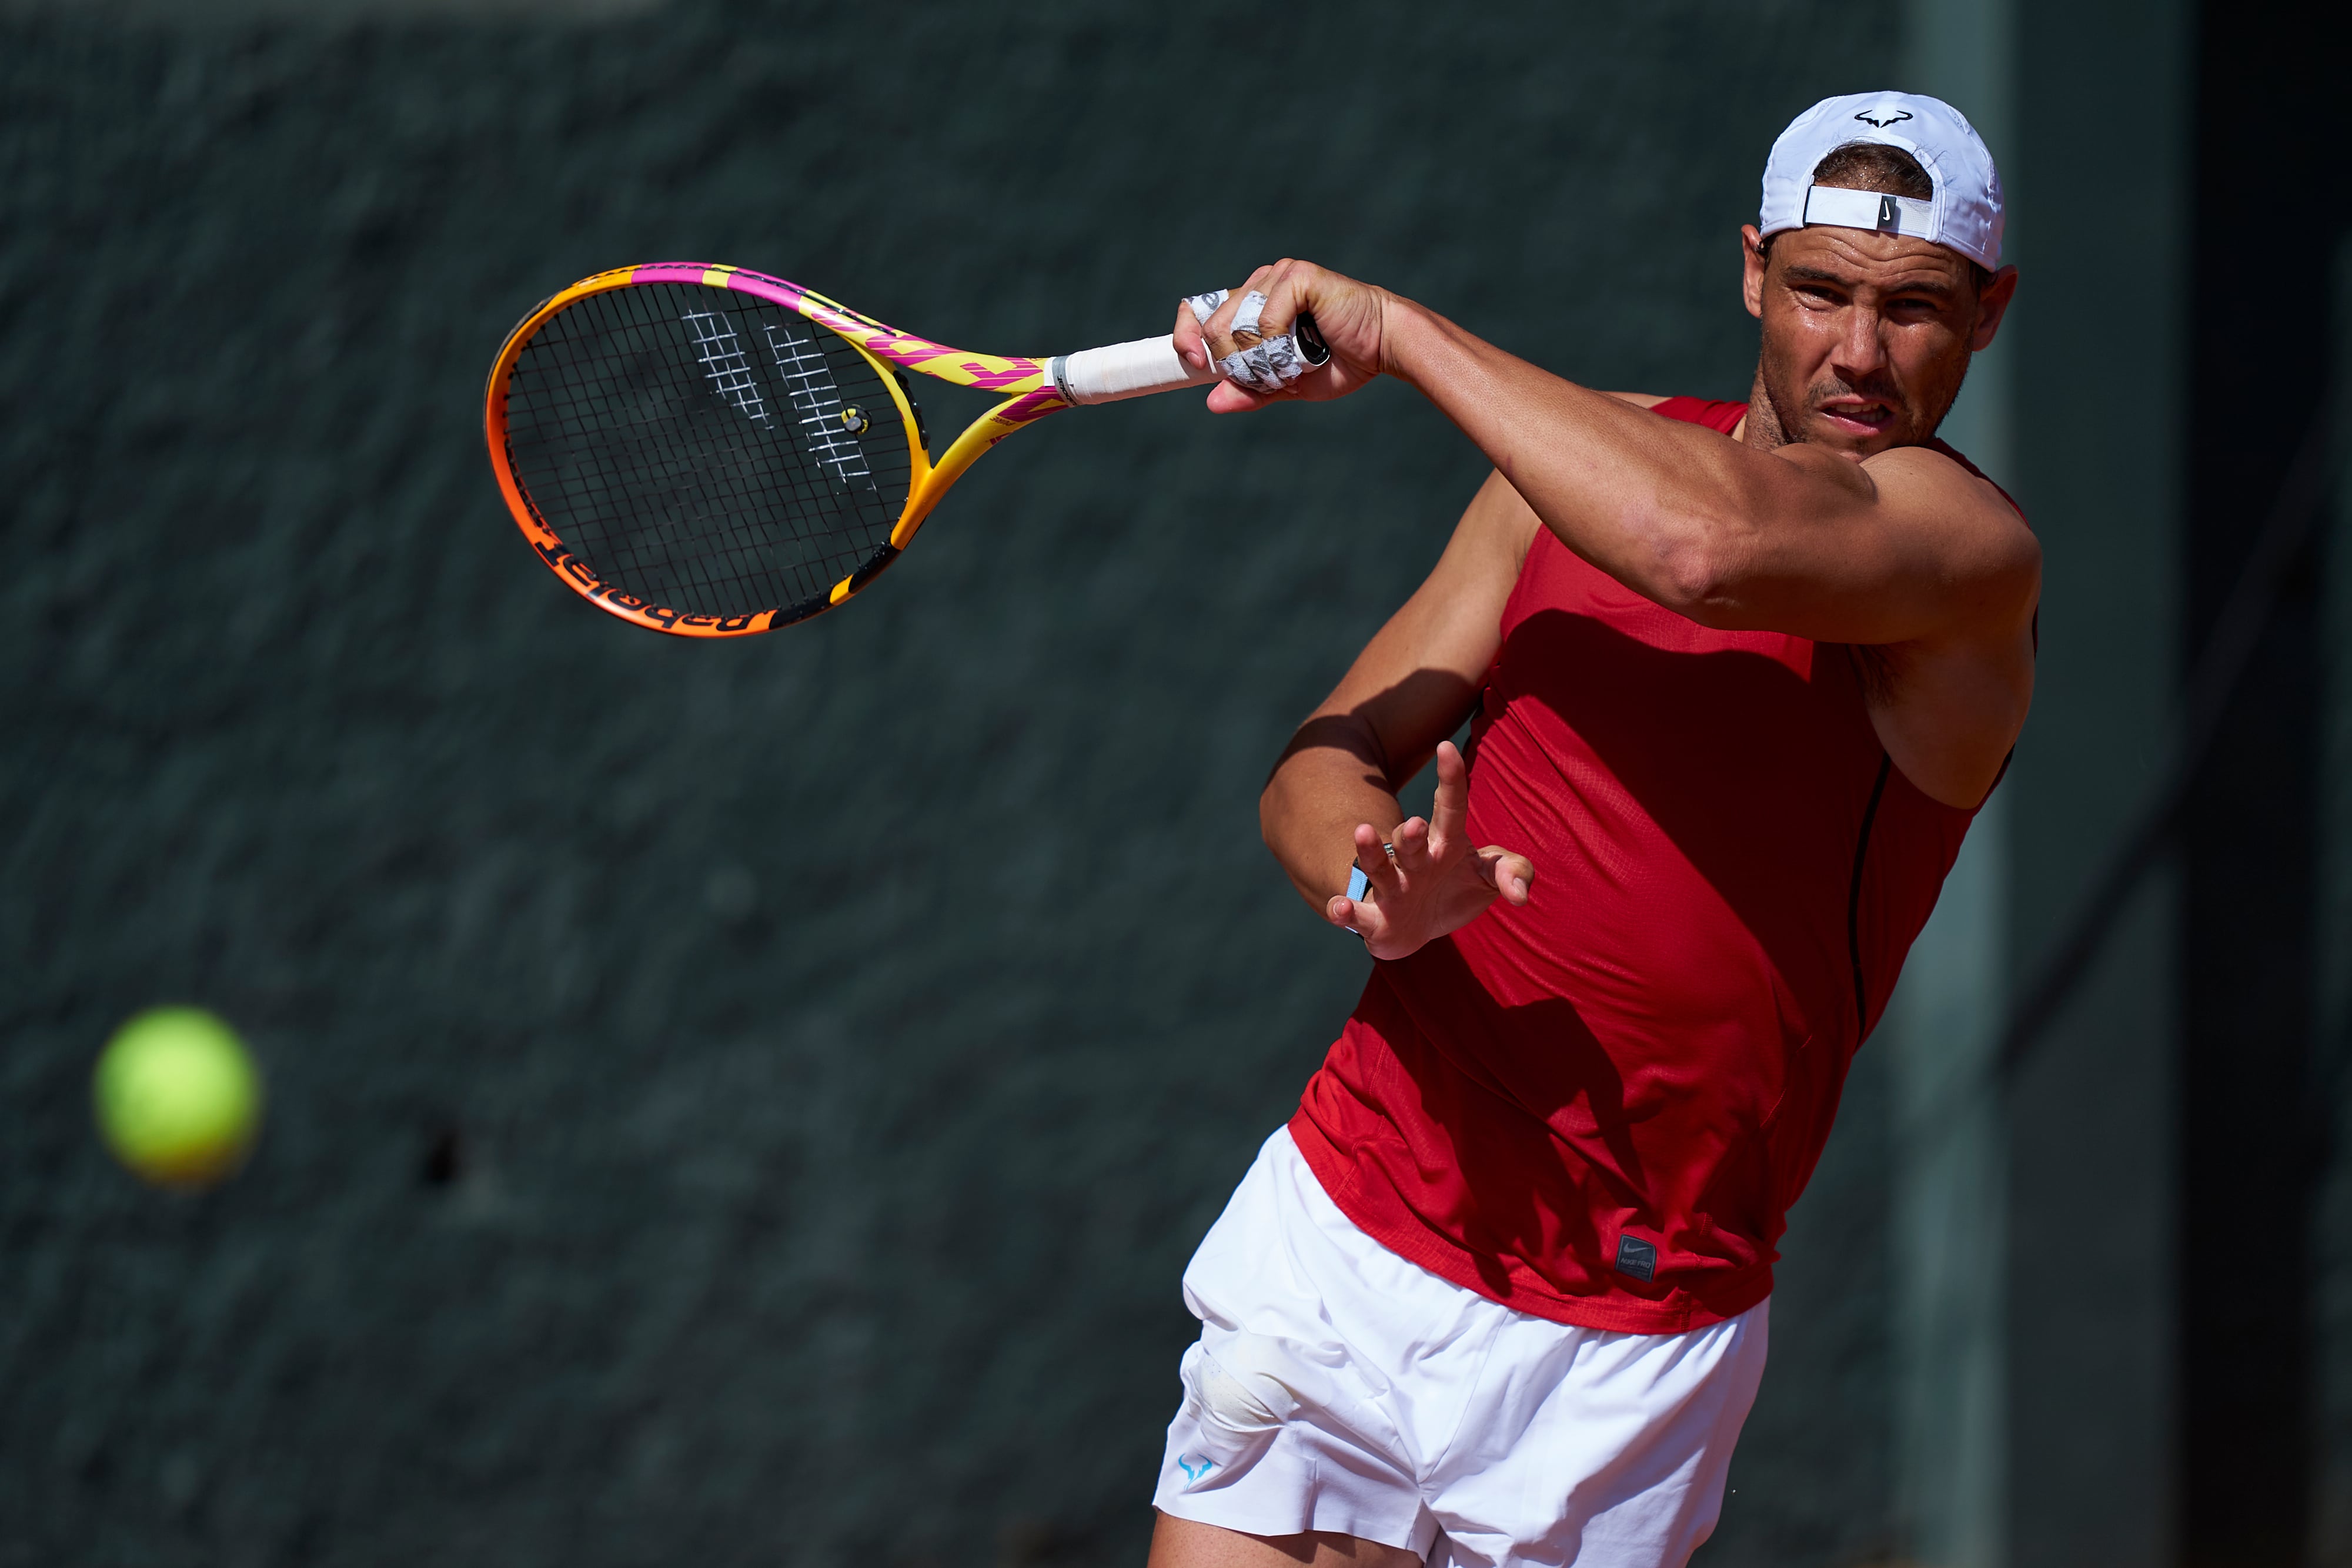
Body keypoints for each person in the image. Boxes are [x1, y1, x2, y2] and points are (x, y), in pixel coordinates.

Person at [1145, 92, 2037, 1568]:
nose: (1859, 353)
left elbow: (1704, 548)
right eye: (1818, 291)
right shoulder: (1557, 477)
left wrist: (1393, 332)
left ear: (1986, 312)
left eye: (1913, 308)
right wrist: (1369, 874)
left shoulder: (1964, 557)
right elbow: (1322, 761)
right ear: (1751, 271)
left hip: (1627, 1334)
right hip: (1354, 1215)